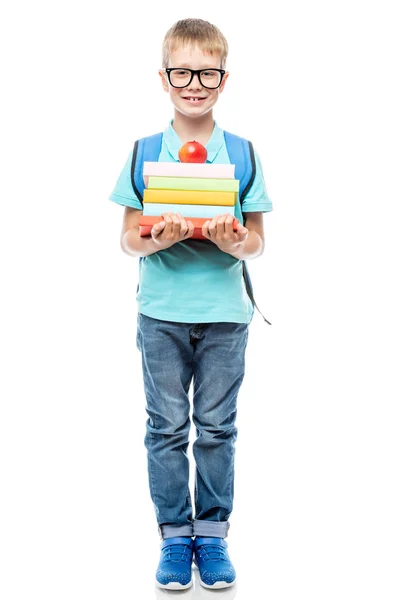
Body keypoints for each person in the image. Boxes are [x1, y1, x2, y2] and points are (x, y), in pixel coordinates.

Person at [109, 18, 273, 590]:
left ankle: (213, 536)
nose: (195, 83)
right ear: (164, 77)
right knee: (165, 428)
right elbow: (129, 238)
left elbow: (256, 240)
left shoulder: (244, 154)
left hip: (226, 316)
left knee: (217, 429)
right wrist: (165, 237)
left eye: (207, 72)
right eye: (183, 72)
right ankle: (175, 538)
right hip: (160, 315)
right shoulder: (143, 153)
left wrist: (235, 241)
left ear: (223, 79)